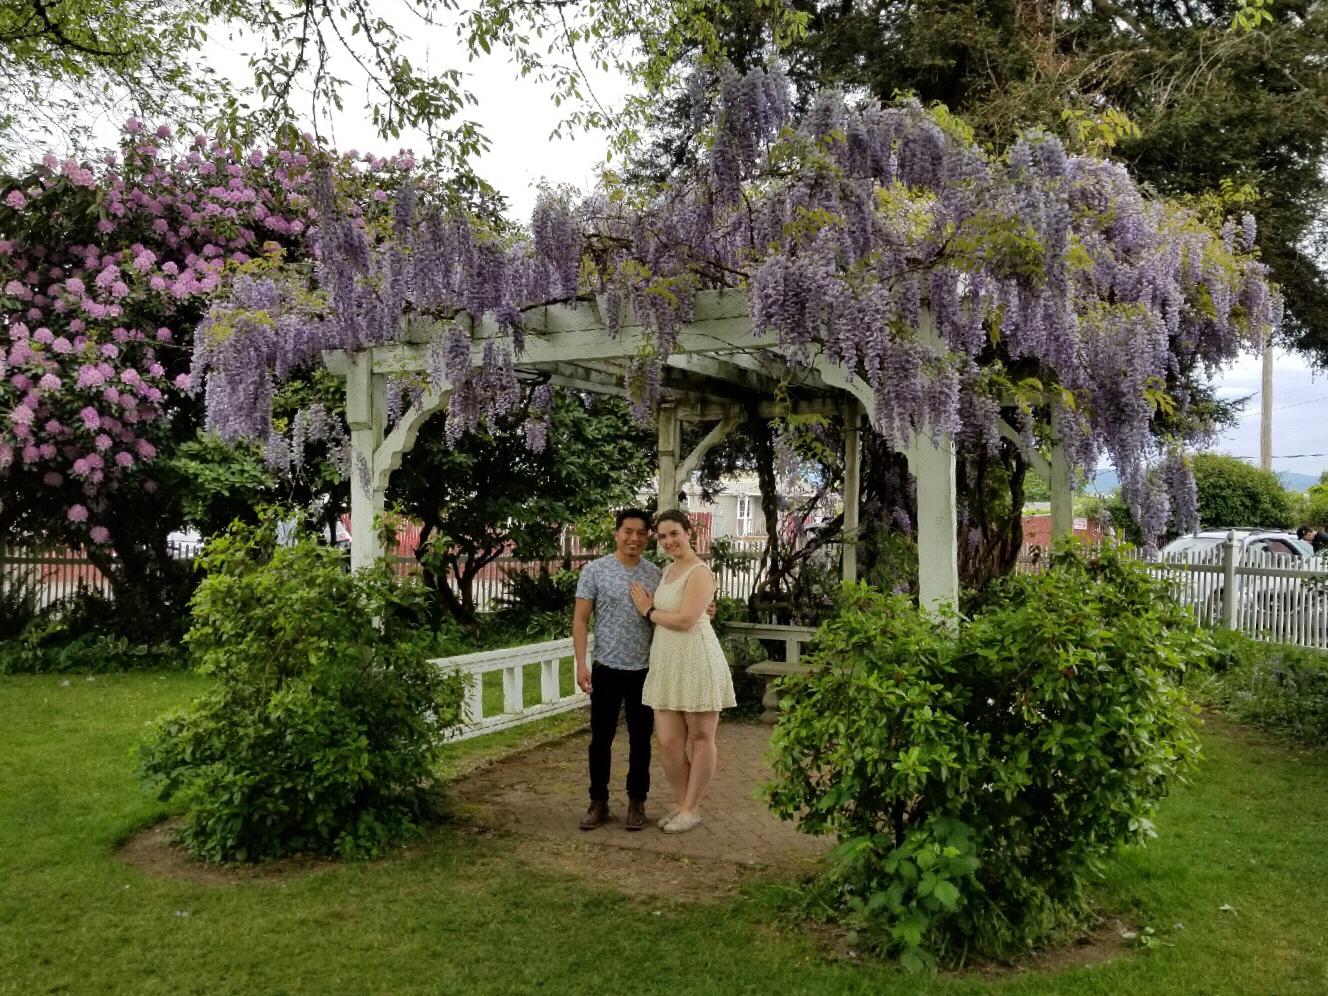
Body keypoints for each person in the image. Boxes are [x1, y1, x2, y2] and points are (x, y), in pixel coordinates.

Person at [629, 509, 736, 834]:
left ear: (690, 532)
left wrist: (648, 611)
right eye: (662, 537)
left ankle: (690, 809)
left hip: (697, 658)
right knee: (668, 742)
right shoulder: (669, 570)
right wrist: (659, 611)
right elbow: (686, 610)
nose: (669, 541)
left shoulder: (700, 571)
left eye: (674, 533)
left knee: (702, 738)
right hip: (667, 660)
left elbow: (688, 619)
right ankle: (683, 804)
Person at [572, 508, 662, 831]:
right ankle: (599, 801)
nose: (634, 538)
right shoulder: (595, 571)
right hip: (606, 667)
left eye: (640, 533)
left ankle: (637, 802)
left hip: (644, 669)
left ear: (647, 537)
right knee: (601, 739)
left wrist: (708, 606)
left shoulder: (655, 574)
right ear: (616, 534)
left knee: (641, 739)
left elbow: (675, 608)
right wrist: (581, 664)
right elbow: (581, 620)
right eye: (627, 531)